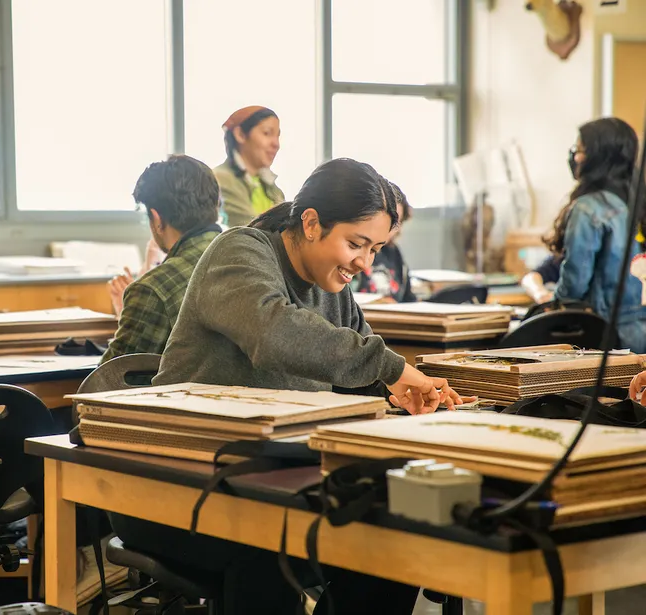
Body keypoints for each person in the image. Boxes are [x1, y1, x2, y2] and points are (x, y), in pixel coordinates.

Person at [111, 158, 462, 615]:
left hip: (270, 483)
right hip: (174, 486)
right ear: (311, 223)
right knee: (269, 545)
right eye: (356, 244)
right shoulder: (238, 253)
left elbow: (356, 370)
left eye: (375, 249)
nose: (365, 262)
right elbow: (276, 334)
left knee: (389, 540)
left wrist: (399, 398)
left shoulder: (334, 287)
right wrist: (393, 369)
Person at [101, 155, 222, 363]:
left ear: (157, 219)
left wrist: (126, 314)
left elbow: (108, 381)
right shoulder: (252, 257)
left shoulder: (154, 288)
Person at [549, 117, 646, 352]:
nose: (575, 157)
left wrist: (550, 301)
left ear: (598, 157)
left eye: (580, 150)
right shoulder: (637, 203)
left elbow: (574, 286)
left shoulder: (588, 209)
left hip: (606, 336)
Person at [214, 106, 284, 228]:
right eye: (267, 133)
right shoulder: (220, 180)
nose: (276, 144)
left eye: (277, 136)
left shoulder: (272, 188)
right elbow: (248, 232)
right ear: (240, 134)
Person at [355, 182, 417, 302]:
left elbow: (408, 298)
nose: (388, 228)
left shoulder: (394, 253)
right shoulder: (353, 250)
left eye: (395, 223)